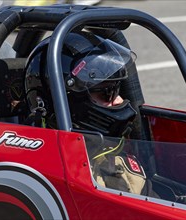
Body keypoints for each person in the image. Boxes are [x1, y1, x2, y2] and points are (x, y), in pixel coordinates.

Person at [24, 30, 159, 198]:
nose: (119, 100)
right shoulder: (39, 177)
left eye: (118, 89)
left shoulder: (124, 170)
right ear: (69, 101)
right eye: (107, 93)